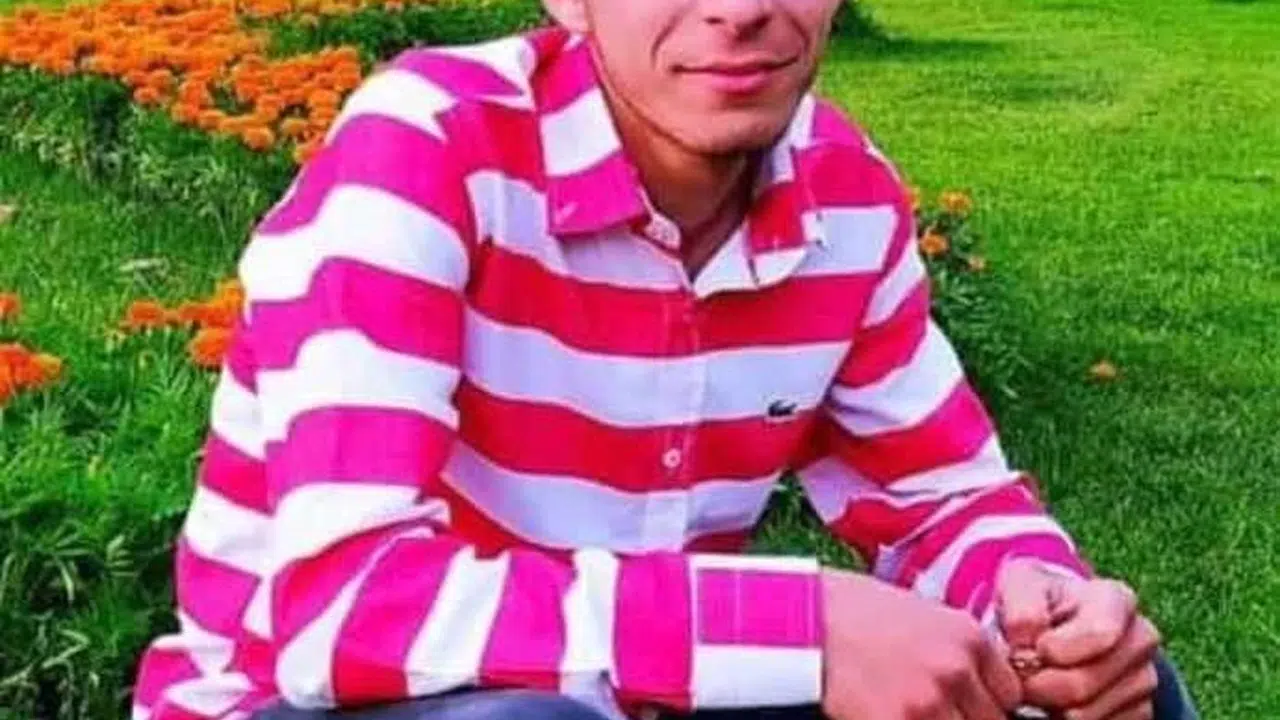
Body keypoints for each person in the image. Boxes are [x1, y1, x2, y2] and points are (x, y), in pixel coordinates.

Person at [131, 1, 1199, 719]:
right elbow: (346, 610)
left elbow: (941, 500)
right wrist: (806, 627)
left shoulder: (844, 195)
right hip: (308, 700)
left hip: (644, 688)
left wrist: (1042, 603)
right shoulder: (427, 150)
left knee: (1120, 694)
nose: (737, 10)